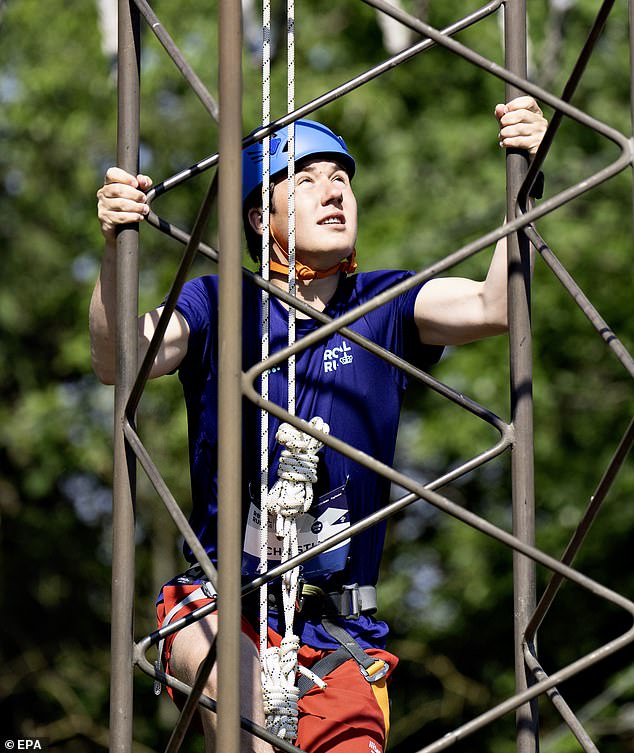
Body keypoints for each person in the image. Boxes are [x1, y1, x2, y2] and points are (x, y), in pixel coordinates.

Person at [92, 96, 547, 753]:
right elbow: (116, 360)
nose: (332, 192)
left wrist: (525, 178)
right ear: (258, 216)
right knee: (243, 701)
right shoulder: (221, 301)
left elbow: (493, 304)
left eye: (341, 179)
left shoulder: (385, 305)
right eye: (304, 181)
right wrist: (113, 250)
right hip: (222, 601)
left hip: (337, 630)